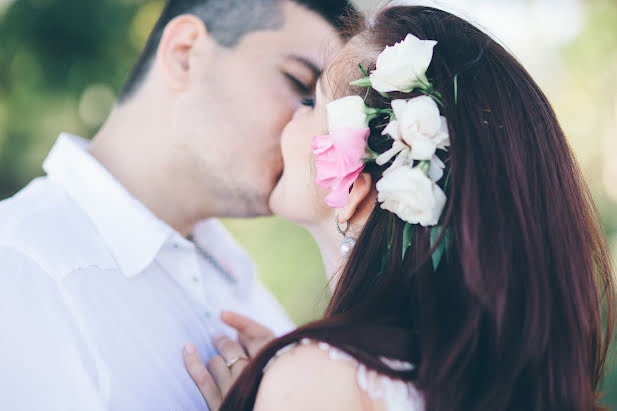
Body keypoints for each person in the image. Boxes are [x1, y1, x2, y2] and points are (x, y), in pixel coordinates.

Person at [182, 4, 616, 410]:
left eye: (312, 103)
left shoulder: (319, 379)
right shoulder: (508, 380)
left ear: (353, 189)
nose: (290, 115)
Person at [0, 0, 358, 409]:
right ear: (185, 53)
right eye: (300, 86)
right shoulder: (21, 266)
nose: (315, 136)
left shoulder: (242, 286)